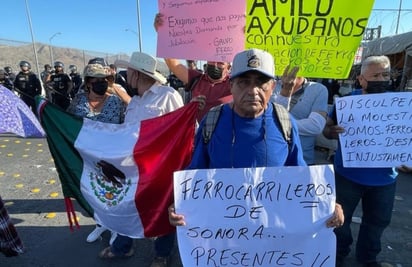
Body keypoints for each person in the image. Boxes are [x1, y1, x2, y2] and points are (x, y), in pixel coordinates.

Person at [168, 48, 344, 257]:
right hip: (222, 238)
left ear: (272, 87)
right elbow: (196, 171)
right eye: (244, 82)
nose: (253, 90)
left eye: (261, 82)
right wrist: (181, 205)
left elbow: (300, 176)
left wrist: (326, 204)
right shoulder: (212, 121)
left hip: (271, 241)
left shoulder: (285, 122)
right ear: (231, 85)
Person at [97, 51, 184, 265]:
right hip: (134, 167)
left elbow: (181, 130)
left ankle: (162, 254)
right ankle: (123, 247)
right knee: (128, 204)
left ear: (137, 74)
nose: (126, 77)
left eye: (129, 73)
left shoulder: (168, 95)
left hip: (161, 168)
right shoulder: (134, 101)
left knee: (164, 209)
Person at [323, 55, 397, 267]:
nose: (382, 79)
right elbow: (326, 130)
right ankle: (338, 253)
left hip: (385, 179)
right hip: (348, 176)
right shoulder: (347, 103)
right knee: (339, 221)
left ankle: (368, 258)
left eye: (386, 74)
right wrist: (332, 131)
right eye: (376, 75)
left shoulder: (398, 104)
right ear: (362, 79)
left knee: (377, 223)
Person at [67, 63, 126, 243]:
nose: (102, 83)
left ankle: (116, 227)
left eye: (105, 80)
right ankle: (101, 224)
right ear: (88, 82)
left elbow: (126, 126)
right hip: (88, 159)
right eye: (97, 80)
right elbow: (67, 123)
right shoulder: (78, 102)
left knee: (114, 193)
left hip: (112, 157)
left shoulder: (116, 101)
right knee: (95, 193)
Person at [154, 13, 232, 120]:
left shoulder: (235, 83)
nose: (214, 64)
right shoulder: (197, 78)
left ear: (228, 68)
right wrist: (162, 34)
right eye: (211, 59)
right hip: (198, 134)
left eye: (220, 63)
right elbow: (174, 65)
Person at [273, 66, 329, 165]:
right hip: (275, 158)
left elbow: (316, 126)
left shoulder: (318, 89)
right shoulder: (269, 86)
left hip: (303, 160)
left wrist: (280, 124)